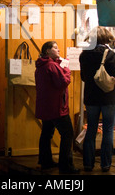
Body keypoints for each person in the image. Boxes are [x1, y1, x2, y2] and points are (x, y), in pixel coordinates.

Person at [79, 26, 115, 172]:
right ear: (105, 38)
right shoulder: (109, 54)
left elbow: (83, 77)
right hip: (108, 97)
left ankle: (88, 164)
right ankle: (105, 164)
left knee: (91, 129)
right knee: (108, 130)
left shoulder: (84, 55)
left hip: (91, 97)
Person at [35, 41, 79, 174]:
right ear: (47, 51)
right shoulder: (52, 66)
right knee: (67, 134)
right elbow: (63, 82)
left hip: (45, 106)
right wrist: (66, 69)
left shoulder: (41, 65)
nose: (58, 50)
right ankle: (65, 166)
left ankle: (46, 161)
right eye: (55, 48)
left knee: (46, 133)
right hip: (57, 107)